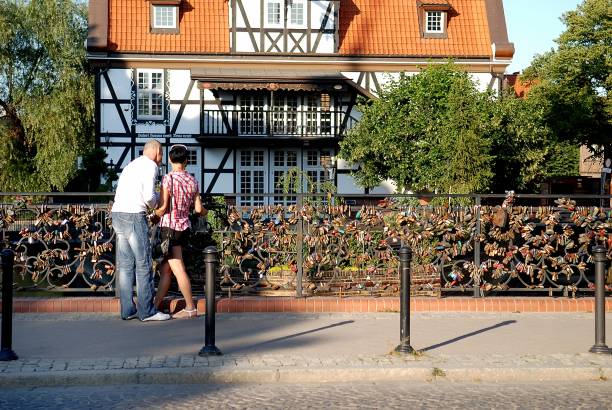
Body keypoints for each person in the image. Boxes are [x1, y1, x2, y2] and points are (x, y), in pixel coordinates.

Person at [111, 140, 171, 321]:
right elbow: (148, 197)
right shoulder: (150, 166)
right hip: (134, 216)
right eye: (161, 155)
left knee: (126, 266)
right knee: (144, 264)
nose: (161, 159)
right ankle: (147, 311)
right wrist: (158, 204)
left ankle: (127, 310)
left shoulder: (132, 165)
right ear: (156, 151)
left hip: (117, 214)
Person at [153, 144, 205, 318]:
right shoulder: (193, 180)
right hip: (184, 227)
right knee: (166, 268)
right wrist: (206, 211)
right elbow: (198, 209)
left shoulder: (168, 179)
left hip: (169, 228)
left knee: (177, 267)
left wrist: (153, 216)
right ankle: (154, 306)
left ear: (169, 159)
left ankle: (190, 308)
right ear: (187, 161)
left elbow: (163, 206)